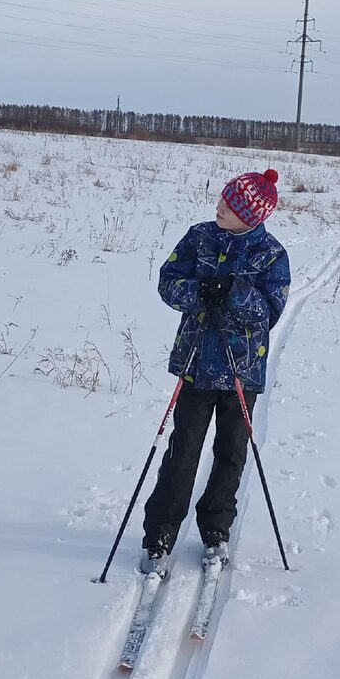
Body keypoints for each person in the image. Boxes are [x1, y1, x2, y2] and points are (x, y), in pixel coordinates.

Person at [141, 168, 291, 576]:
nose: (220, 206)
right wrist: (199, 292)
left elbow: (269, 314)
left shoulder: (271, 255)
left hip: (242, 372)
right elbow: (168, 282)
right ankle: (159, 535)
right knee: (182, 450)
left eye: (231, 204)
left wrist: (235, 293)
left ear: (252, 216)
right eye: (223, 199)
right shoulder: (199, 236)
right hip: (197, 365)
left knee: (231, 454)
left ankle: (215, 531)